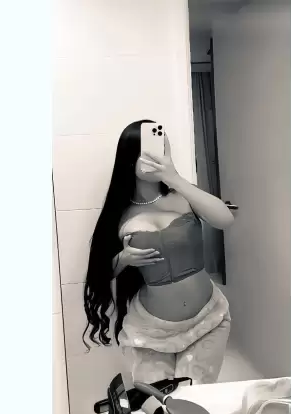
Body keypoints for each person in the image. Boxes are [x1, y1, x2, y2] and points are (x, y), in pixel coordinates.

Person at [83, 119, 234, 384]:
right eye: (149, 151)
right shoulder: (119, 213)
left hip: (208, 321)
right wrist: (124, 259)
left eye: (162, 149)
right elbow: (99, 274)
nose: (157, 157)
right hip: (151, 333)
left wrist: (174, 178)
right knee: (156, 401)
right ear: (129, 158)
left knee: (194, 400)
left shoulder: (182, 196)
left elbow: (225, 219)